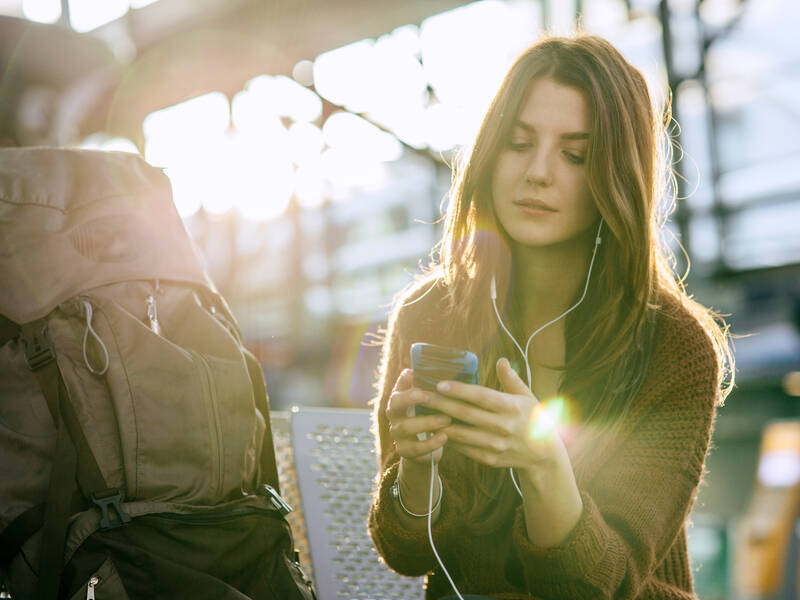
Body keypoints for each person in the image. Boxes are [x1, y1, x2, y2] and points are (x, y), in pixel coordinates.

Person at [367, 33, 733, 600]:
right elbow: (408, 552)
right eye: (518, 143)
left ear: (615, 175)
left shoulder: (673, 345)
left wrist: (544, 467)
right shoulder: (430, 313)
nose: (538, 172)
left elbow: (602, 586)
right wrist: (415, 468)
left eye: (574, 155)